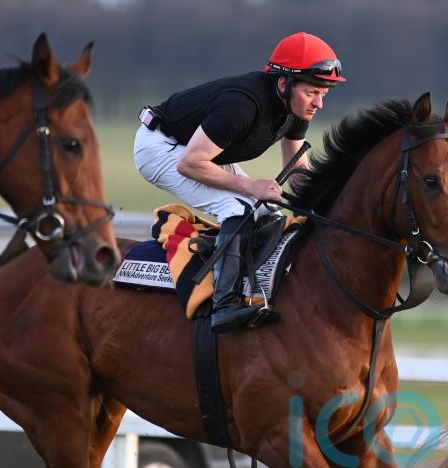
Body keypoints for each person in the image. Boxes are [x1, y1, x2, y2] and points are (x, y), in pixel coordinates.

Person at [133, 32, 346, 333]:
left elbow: (298, 171)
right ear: (283, 84)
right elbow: (189, 164)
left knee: (268, 214)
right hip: (160, 147)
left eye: (323, 93)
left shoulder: (296, 107)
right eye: (312, 92)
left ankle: (253, 286)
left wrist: (330, 206)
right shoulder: (242, 105)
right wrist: (253, 186)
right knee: (239, 208)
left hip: (195, 151)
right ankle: (225, 303)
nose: (319, 103)